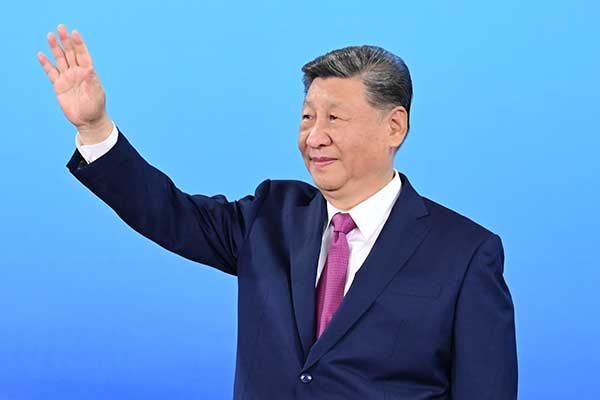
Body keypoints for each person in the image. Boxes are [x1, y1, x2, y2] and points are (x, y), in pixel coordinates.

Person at [38, 24, 518, 399]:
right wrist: (95, 128)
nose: (314, 136)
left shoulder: (465, 253)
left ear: (394, 127)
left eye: (334, 118)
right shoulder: (270, 216)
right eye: (307, 116)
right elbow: (168, 212)